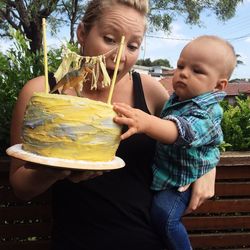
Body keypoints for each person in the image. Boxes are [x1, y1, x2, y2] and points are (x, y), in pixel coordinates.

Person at [9, 1, 216, 249]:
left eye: (132, 46)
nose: (120, 56)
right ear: (82, 33)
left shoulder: (149, 90)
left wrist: (207, 169)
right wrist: (57, 169)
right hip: (76, 242)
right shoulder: (42, 91)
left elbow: (198, 128)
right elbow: (21, 187)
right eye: (109, 39)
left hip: (150, 240)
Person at [113, 35, 236, 250]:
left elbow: (182, 132)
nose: (183, 73)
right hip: (167, 176)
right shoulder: (177, 99)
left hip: (182, 181)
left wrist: (146, 121)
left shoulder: (207, 112)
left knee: (164, 214)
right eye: (180, 65)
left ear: (219, 86)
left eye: (197, 71)